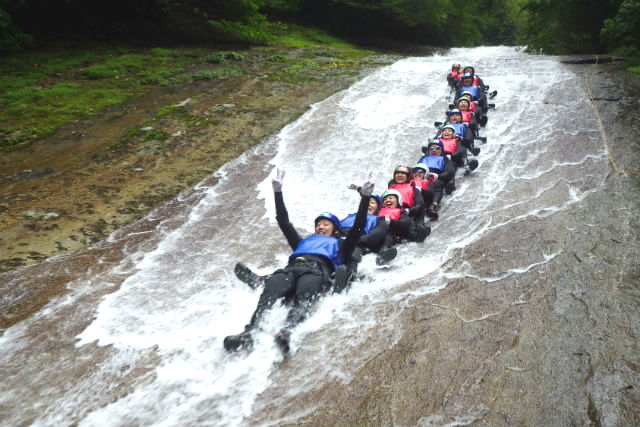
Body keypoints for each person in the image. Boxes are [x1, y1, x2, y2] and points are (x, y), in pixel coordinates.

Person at [223, 169, 374, 353]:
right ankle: (249, 333)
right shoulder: (303, 242)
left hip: (316, 271)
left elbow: (358, 227)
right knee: (268, 294)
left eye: (326, 223)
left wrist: (365, 197)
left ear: (336, 230)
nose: (320, 226)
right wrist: (277, 193)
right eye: (318, 224)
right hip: (291, 269)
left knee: (303, 300)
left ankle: (287, 332)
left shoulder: (342, 244)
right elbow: (284, 222)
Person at [387, 165, 430, 242]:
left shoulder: (414, 189)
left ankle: (418, 231)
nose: (400, 175)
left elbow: (420, 204)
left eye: (403, 174)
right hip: (391, 213)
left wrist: (408, 211)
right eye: (398, 173)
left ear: (407, 177)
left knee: (419, 213)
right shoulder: (390, 189)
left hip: (408, 212)